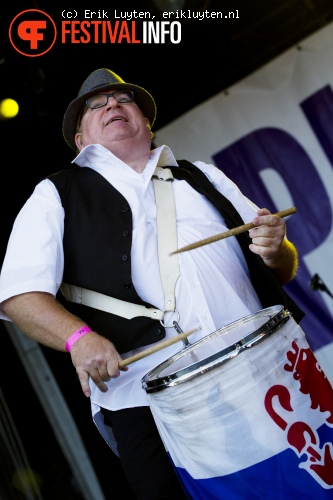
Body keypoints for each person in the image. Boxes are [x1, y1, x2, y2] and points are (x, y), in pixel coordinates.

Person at [0, 68, 304, 499]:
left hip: (255, 377)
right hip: (146, 400)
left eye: (124, 99)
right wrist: (79, 339)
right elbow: (18, 295)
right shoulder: (55, 195)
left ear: (146, 121)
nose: (112, 105)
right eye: (96, 104)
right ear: (80, 141)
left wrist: (276, 249)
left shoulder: (203, 177)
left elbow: (282, 269)